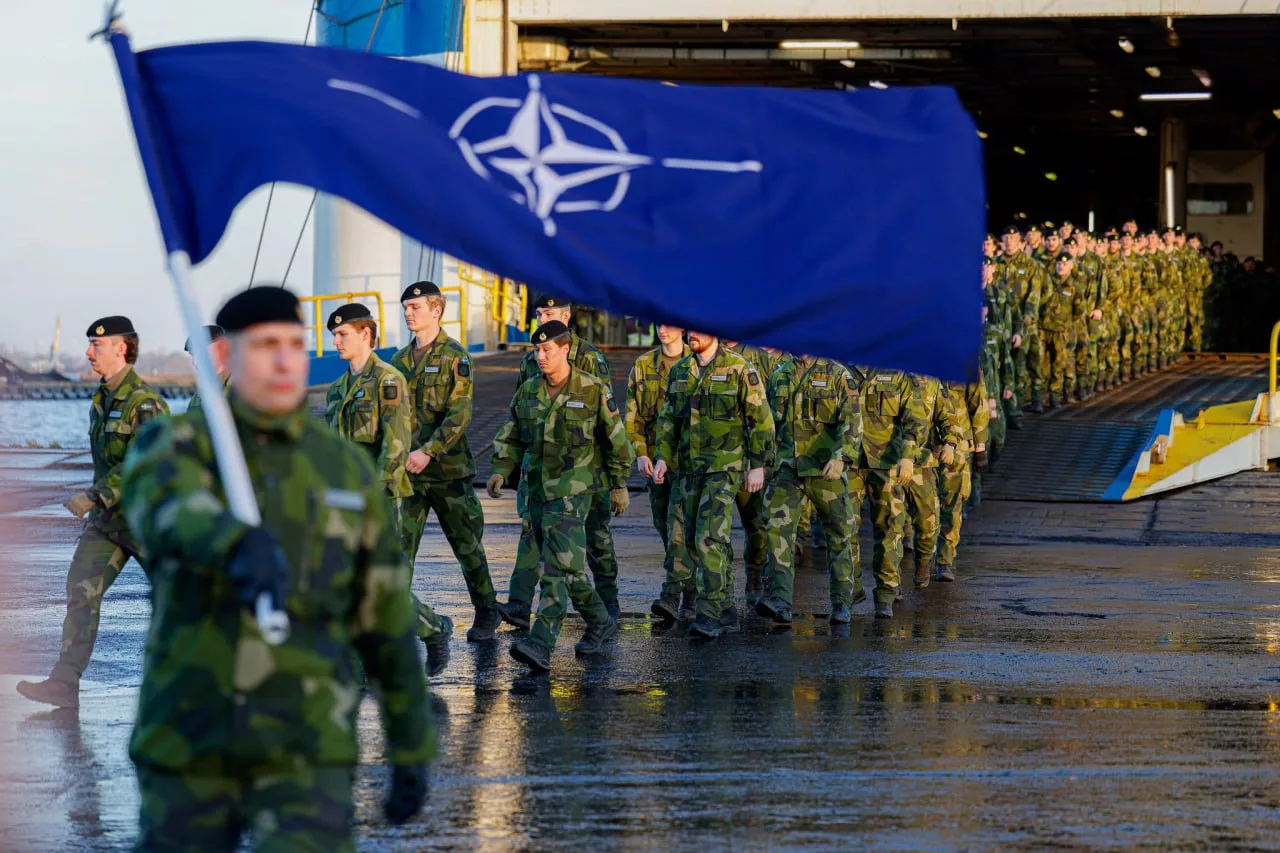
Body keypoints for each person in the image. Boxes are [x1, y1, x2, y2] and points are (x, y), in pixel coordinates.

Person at [119, 287, 430, 849]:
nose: (286, 360)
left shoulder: (341, 468)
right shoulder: (177, 445)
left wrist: (411, 742)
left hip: (306, 739)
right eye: (266, 346)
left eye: (294, 345)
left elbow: (384, 618)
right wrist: (233, 542)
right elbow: (167, 512)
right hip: (193, 735)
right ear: (229, 355)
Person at [17, 316, 169, 709]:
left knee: (181, 601)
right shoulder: (101, 401)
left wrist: (95, 496)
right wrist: (97, 507)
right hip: (107, 524)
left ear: (122, 348)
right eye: (89, 344)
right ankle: (64, 683)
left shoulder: (146, 403)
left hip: (147, 522)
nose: (88, 352)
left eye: (97, 345)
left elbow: (144, 461)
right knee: (81, 592)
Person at [487, 321, 633, 672]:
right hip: (537, 490)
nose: (540, 356)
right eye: (537, 350)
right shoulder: (529, 391)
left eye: (547, 350)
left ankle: (541, 643)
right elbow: (511, 435)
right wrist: (500, 469)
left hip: (575, 489)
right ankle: (599, 620)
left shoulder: (592, 389)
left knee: (555, 568)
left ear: (566, 349)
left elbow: (616, 441)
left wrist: (619, 484)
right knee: (569, 568)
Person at [325, 303, 453, 675]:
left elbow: (396, 445)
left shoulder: (388, 381)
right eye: (334, 335)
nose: (336, 342)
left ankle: (433, 629)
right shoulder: (337, 389)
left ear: (366, 334)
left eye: (342, 334)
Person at [390, 281, 501, 642]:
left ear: (436, 310)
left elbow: (460, 414)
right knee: (399, 550)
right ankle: (398, 618)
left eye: (415, 307)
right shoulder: (398, 361)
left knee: (467, 546)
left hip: (448, 471)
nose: (408, 313)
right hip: (409, 475)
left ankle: (486, 609)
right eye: (406, 308)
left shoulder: (456, 356)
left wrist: (429, 451)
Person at [503, 296, 621, 626]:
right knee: (532, 529)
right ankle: (519, 603)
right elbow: (520, 413)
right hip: (542, 467)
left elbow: (606, 420)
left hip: (585, 468)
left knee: (596, 535)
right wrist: (513, 465)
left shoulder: (590, 358)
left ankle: (608, 601)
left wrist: (615, 480)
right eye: (539, 314)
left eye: (550, 313)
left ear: (567, 316)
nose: (543, 318)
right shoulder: (531, 360)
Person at [652, 331, 774, 638]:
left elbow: (761, 420)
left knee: (709, 537)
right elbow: (668, 420)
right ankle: (727, 609)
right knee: (692, 538)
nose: (691, 334)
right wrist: (663, 457)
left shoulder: (739, 368)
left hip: (724, 467)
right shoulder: (681, 371)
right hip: (688, 469)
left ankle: (709, 612)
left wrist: (758, 465)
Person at [756, 355, 861, 624]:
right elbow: (768, 425)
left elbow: (851, 420)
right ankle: (780, 600)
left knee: (839, 535)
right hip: (788, 468)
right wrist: (762, 462)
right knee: (777, 531)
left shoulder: (838, 374)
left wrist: (842, 458)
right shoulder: (779, 376)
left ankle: (842, 602)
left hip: (825, 469)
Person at [848, 366, 927, 618]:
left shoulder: (898, 372)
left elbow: (916, 418)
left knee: (890, 528)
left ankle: (886, 592)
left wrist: (908, 456)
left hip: (887, 462)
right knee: (844, 527)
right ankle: (850, 588)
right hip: (848, 462)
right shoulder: (839, 368)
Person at [624, 324, 690, 597]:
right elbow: (633, 415)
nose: (663, 329)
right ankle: (688, 580)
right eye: (659, 324)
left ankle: (675, 591)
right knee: (662, 522)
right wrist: (640, 453)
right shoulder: (643, 365)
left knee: (678, 526)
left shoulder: (696, 363)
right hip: (654, 461)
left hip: (687, 461)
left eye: (668, 323)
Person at [721, 340, 778, 606]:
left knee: (755, 524)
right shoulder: (705, 357)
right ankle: (717, 588)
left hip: (749, 458)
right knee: (710, 528)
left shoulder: (760, 358)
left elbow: (772, 411)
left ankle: (755, 576)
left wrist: (763, 460)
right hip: (716, 459)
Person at [184, 324, 228, 412]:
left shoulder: (243, 389)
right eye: (192, 355)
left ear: (219, 349)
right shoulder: (198, 397)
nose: (194, 362)